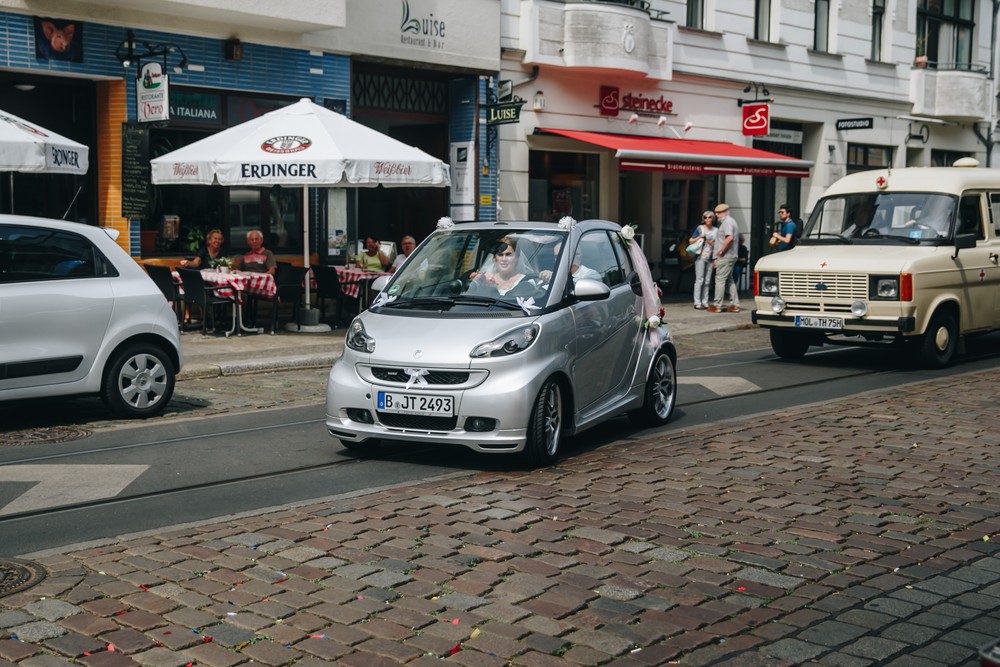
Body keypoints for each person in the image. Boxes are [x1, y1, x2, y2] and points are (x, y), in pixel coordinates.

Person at [468, 235, 536, 297]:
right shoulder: (486, 279)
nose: (504, 259)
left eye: (508, 255)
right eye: (500, 255)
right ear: (494, 258)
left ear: (517, 257)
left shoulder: (526, 281)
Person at [707, 203, 741, 313]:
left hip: (726, 256)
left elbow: (729, 238)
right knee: (729, 280)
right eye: (716, 213)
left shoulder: (727, 222)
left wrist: (720, 253)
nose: (717, 215)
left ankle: (717, 305)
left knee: (720, 279)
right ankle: (735, 304)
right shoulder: (730, 221)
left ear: (725, 212)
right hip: (730, 256)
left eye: (719, 213)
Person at [689, 211, 717, 309]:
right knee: (699, 280)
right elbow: (691, 240)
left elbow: (717, 245)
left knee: (707, 281)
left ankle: (705, 301)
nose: (707, 219)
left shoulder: (716, 230)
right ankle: (697, 302)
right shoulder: (700, 229)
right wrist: (699, 237)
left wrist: (716, 258)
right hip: (700, 256)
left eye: (710, 217)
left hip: (711, 257)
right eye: (705, 217)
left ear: (713, 218)